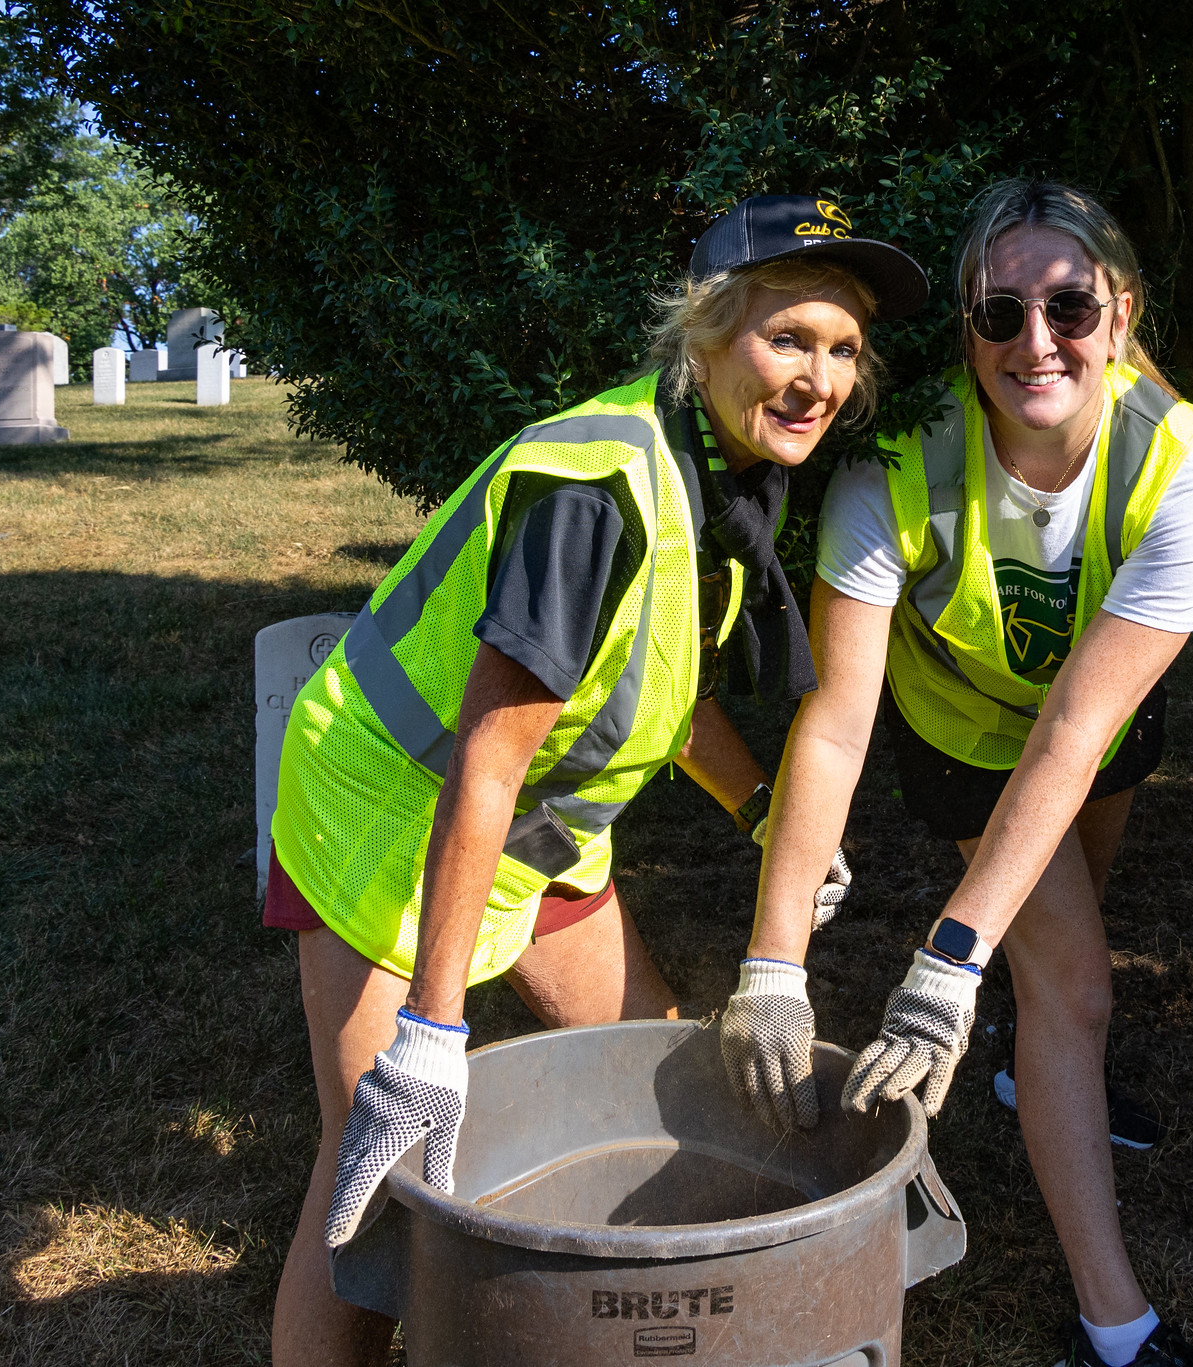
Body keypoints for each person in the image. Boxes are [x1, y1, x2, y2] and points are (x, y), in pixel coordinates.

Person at [265, 194, 929, 1366]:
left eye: (840, 349)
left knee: (655, 1062)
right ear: (705, 333)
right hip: (391, 815)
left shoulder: (722, 479)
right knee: (370, 1167)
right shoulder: (595, 489)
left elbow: (664, 687)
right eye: (786, 339)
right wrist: (430, 1029)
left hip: (536, 829)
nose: (815, 379)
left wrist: (766, 807)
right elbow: (486, 752)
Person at [719, 179, 1193, 1367]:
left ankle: (1028, 1062)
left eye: (1068, 305)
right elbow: (837, 721)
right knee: (1077, 985)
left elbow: (1071, 731)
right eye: (998, 313)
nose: (1035, 340)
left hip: (1091, 724)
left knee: (1063, 936)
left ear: (1120, 313)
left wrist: (949, 966)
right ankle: (1116, 1325)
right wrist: (772, 961)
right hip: (954, 727)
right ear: (965, 328)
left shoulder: (1189, 473)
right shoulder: (892, 463)